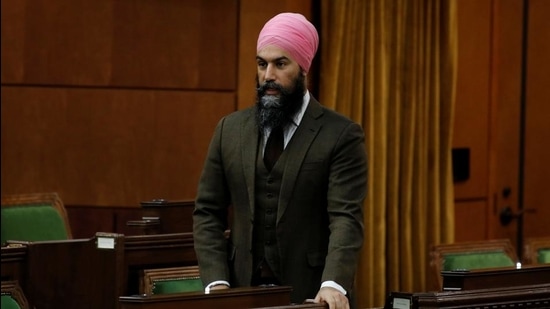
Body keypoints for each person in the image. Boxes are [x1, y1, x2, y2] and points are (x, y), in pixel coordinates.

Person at [193, 12, 367, 309]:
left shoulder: (341, 135)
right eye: (262, 64)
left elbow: (345, 218)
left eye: (280, 64)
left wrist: (333, 283)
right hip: (240, 292)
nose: (268, 75)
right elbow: (207, 212)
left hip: (310, 295)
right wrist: (216, 281)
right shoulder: (229, 130)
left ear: (303, 69)